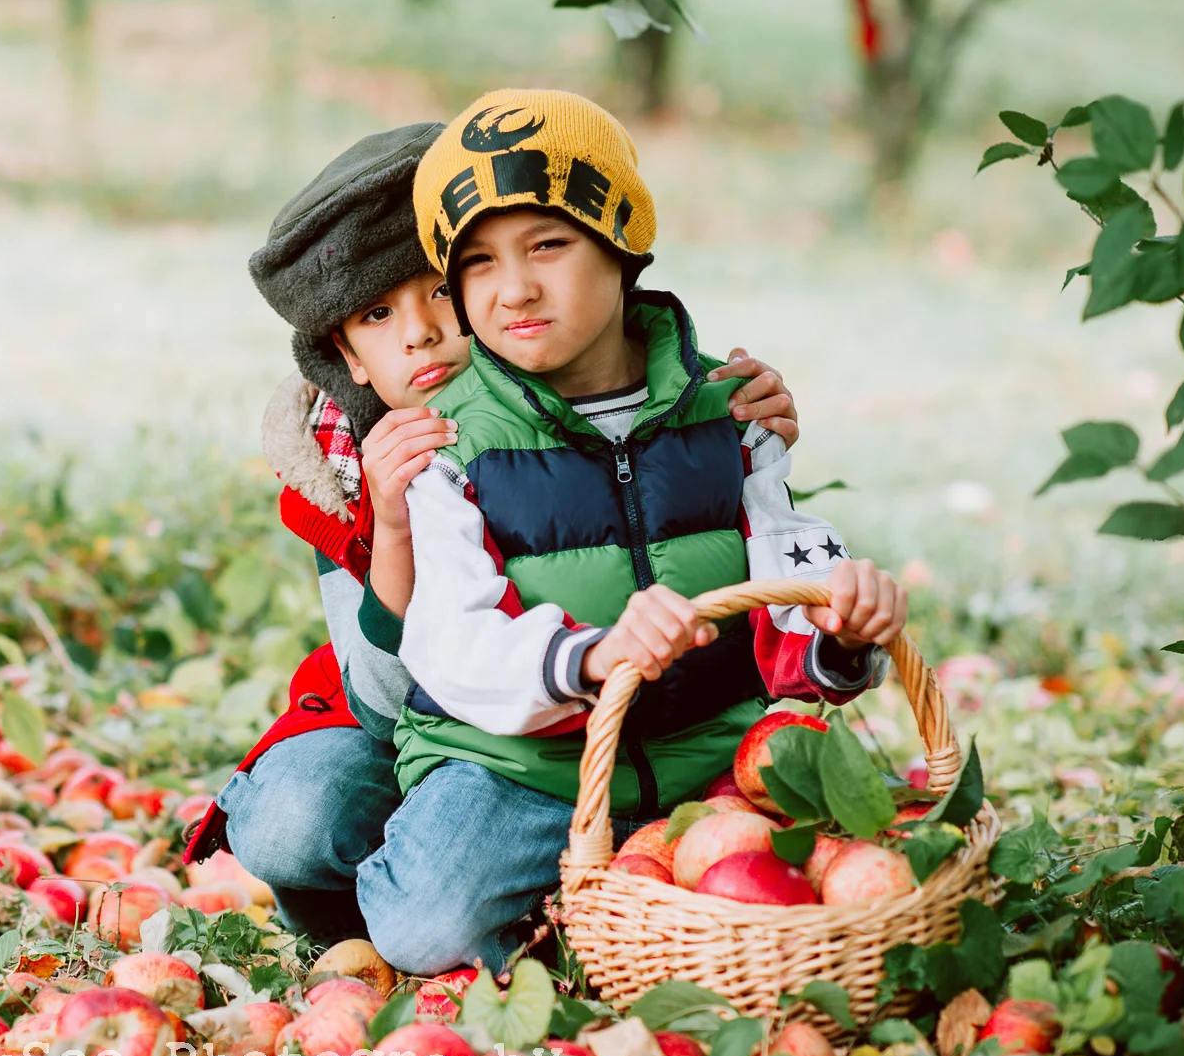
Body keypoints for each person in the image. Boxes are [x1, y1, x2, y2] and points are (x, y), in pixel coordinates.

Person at [186, 121, 805, 949]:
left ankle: (533, 874)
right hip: (405, 714)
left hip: (581, 713)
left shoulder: (556, 374)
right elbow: (379, 701)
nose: (422, 334)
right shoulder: (334, 459)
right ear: (348, 355)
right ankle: (408, 886)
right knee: (301, 818)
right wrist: (394, 526)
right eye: (377, 313)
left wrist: (740, 412)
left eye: (440, 290)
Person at [351, 88, 909, 976]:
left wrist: (839, 630)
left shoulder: (728, 411)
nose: (516, 288)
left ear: (621, 249)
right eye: (481, 264)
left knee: (863, 855)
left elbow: (787, 558)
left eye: (548, 244)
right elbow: (450, 637)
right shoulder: (454, 442)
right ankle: (579, 889)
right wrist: (590, 656)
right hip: (524, 770)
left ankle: (625, 899)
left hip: (710, 754)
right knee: (426, 920)